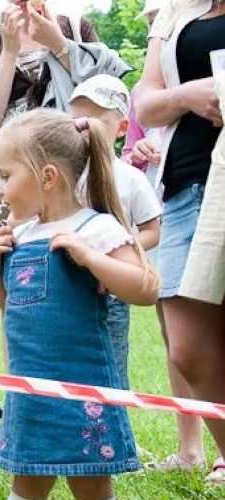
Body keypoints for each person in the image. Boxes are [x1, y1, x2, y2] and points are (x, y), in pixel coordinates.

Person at [0, 109, 158, 500]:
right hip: (31, 389)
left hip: (85, 388)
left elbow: (147, 287)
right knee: (26, 478)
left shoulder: (95, 228)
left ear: (47, 176)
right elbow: (16, 311)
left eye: (7, 176)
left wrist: (90, 257)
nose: (2, 189)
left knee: (92, 482)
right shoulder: (22, 234)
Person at [0, 0, 125, 301]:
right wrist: (9, 51)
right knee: (16, 288)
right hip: (9, 174)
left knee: (77, 276)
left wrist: (58, 44)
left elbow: (106, 96)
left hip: (68, 163)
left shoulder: (74, 27)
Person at [138, 0, 225, 500]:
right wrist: (187, 96)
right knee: (190, 350)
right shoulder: (176, 11)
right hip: (182, 188)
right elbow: (145, 104)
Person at [69, 75, 161, 392]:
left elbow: (152, 230)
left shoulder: (130, 178)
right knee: (69, 365)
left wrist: (120, 248)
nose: (84, 127)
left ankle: (117, 438)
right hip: (69, 287)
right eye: (77, 120)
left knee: (112, 366)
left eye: (95, 119)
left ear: (122, 128)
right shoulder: (62, 176)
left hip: (113, 291)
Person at [122, 0, 167, 187]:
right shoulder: (140, 92)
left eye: (164, 19)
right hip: (158, 208)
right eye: (152, 22)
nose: (157, 29)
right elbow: (127, 156)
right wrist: (136, 156)